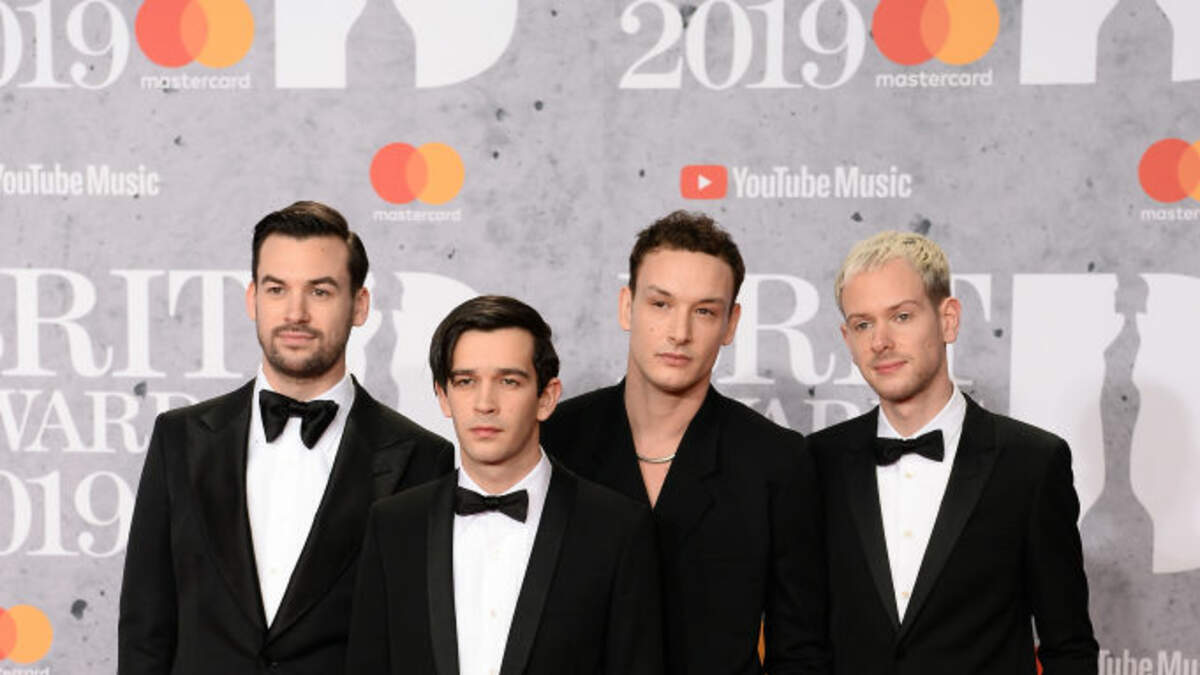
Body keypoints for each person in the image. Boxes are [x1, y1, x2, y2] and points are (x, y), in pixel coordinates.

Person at [118, 201, 453, 674]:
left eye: (320, 291)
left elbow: (418, 643)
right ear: (253, 299)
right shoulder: (180, 439)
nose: (296, 313)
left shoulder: (421, 458)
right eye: (277, 289)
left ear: (359, 305)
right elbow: (145, 631)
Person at [540, 211, 828, 674]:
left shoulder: (775, 460)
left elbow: (800, 650)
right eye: (661, 304)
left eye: (704, 311)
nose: (679, 332)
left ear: (731, 324)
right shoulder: (554, 439)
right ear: (626, 306)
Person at [809, 230, 1098, 674]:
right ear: (847, 339)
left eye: (901, 316)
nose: (880, 341)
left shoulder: (1032, 464)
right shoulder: (817, 463)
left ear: (948, 320)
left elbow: (1069, 648)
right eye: (863, 324)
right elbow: (803, 642)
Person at [346, 295, 663, 674]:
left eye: (508, 381)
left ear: (546, 398)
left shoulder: (617, 530)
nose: (485, 403)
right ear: (443, 396)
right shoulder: (393, 526)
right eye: (466, 381)